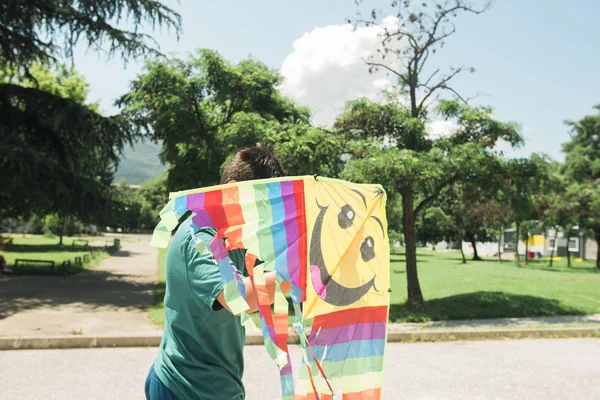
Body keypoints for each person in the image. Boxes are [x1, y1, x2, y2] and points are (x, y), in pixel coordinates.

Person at [145, 147, 290, 400]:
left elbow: (265, 282)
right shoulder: (198, 236)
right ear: (234, 192)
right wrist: (297, 273)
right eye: (262, 203)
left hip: (218, 386)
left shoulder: (236, 237)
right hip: (184, 387)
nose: (266, 214)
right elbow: (236, 297)